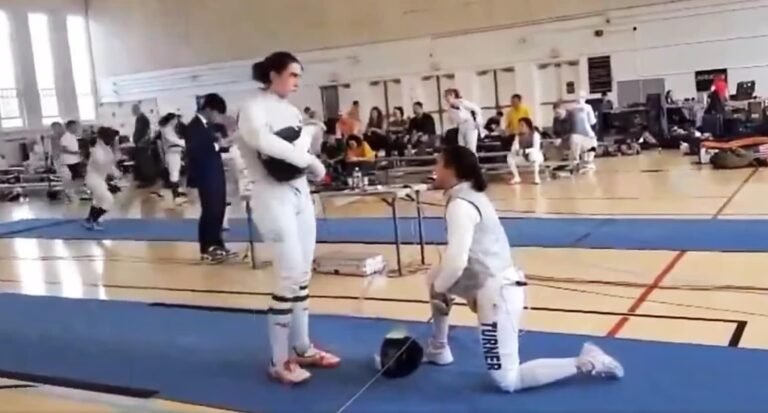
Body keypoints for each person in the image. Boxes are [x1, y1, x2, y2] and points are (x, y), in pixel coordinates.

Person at [426, 145, 624, 392]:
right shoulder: (469, 195)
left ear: (452, 169)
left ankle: (587, 361)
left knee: (508, 380)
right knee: (435, 275)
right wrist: (443, 288)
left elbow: (457, 262)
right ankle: (439, 347)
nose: (434, 169)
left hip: (497, 293)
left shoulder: (461, 205)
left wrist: (441, 290)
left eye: (438, 164)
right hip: (491, 282)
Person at [238, 51, 339, 385]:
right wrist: (309, 158)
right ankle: (278, 360)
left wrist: (310, 146)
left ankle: (303, 347)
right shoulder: (252, 107)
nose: (296, 82)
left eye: (298, 76)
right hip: (271, 196)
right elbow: (263, 142)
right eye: (292, 75)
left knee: (303, 274)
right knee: (289, 274)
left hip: (299, 193)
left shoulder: (292, 111)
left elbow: (297, 152)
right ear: (273, 75)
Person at [186, 93, 235, 263]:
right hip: (205, 174)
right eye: (216, 113)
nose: (217, 117)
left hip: (215, 171)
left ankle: (217, 244)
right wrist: (216, 145)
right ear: (208, 109)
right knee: (210, 210)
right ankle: (207, 248)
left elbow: (214, 146)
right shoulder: (193, 126)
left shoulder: (209, 126)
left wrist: (223, 146)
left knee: (219, 209)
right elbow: (194, 150)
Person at [83, 127, 121, 230]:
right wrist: (113, 170)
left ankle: (89, 220)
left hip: (99, 179)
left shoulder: (105, 149)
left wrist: (115, 171)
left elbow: (110, 163)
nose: (114, 141)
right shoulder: (97, 150)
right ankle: (93, 221)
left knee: (98, 201)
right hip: (93, 180)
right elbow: (102, 164)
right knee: (108, 200)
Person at [159, 113, 187, 205]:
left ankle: (177, 192)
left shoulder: (169, 129)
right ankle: (175, 196)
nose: (176, 122)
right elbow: (174, 141)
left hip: (175, 153)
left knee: (176, 172)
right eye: (175, 120)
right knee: (174, 173)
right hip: (171, 153)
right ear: (171, 120)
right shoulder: (167, 129)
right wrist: (186, 143)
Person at [444, 89, 483, 154]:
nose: (447, 98)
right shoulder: (450, 108)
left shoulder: (462, 102)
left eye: (449, 95)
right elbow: (452, 122)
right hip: (461, 126)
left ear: (454, 96)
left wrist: (477, 120)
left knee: (471, 148)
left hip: (470, 125)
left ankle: (472, 159)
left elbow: (476, 109)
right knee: (462, 148)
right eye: (446, 96)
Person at [507, 117, 544, 185]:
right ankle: (517, 177)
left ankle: (537, 177)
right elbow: (514, 147)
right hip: (523, 157)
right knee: (510, 156)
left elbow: (536, 148)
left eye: (522, 125)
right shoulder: (518, 136)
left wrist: (525, 151)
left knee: (533, 154)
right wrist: (516, 150)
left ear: (528, 126)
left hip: (536, 156)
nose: (520, 127)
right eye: (519, 125)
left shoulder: (535, 134)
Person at [570, 91, 599, 171]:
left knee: (578, 148)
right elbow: (592, 121)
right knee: (593, 143)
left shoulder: (572, 108)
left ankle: (577, 162)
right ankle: (588, 162)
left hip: (575, 135)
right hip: (586, 134)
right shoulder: (588, 107)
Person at [59, 120, 84, 202]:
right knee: (75, 178)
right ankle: (70, 193)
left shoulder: (73, 136)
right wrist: (75, 152)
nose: (76, 128)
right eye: (75, 127)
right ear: (69, 127)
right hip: (69, 161)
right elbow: (63, 149)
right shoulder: (65, 137)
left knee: (77, 178)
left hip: (75, 160)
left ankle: (72, 192)